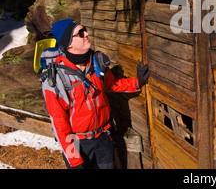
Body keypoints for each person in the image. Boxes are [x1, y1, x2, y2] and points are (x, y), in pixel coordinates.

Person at [42, 19, 150, 169]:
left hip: (103, 139)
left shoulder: (96, 63)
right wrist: (74, 161)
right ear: (69, 43)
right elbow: (59, 124)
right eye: (80, 33)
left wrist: (137, 82)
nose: (86, 34)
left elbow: (112, 84)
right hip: (79, 144)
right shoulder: (55, 79)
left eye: (84, 29)